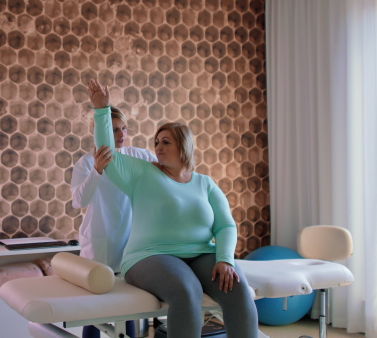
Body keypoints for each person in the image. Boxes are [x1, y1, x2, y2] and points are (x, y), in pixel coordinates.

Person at [87, 79, 258, 338]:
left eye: (165, 142)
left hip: (201, 253)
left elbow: (225, 225)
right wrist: (102, 110)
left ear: (184, 145)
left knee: (236, 287)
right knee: (186, 290)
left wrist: (224, 259)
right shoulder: (143, 173)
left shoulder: (205, 183)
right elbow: (106, 153)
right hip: (148, 256)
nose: (158, 147)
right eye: (156, 142)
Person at [70, 105, 156, 338]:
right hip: (100, 244)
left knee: (127, 308)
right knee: (95, 313)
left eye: (124, 129)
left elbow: (163, 181)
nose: (121, 135)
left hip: (131, 244)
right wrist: (96, 170)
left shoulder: (141, 156)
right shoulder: (86, 163)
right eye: (115, 130)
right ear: (101, 132)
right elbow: (78, 201)